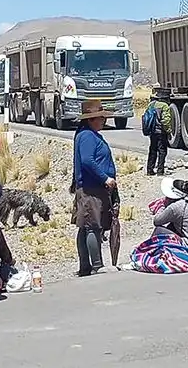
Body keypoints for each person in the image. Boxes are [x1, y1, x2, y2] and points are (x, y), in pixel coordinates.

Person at [71, 99, 118, 277]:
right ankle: (97, 265)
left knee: (86, 226)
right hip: (92, 188)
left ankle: (86, 266)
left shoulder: (87, 135)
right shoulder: (87, 137)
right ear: (91, 120)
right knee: (92, 226)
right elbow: (88, 161)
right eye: (100, 118)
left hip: (92, 188)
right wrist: (104, 177)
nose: (103, 121)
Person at [146, 85, 174, 176]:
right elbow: (165, 121)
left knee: (153, 150)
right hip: (161, 132)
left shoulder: (151, 105)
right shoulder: (164, 106)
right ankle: (160, 171)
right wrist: (169, 131)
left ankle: (150, 170)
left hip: (152, 131)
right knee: (162, 151)